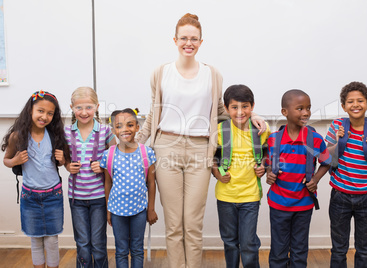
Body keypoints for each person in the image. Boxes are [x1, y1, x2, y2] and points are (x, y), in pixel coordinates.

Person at [136, 13, 266, 268]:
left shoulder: (212, 74)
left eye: (193, 39)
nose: (188, 43)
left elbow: (220, 109)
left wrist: (253, 115)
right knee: (174, 223)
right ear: (175, 40)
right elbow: (154, 112)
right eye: (183, 38)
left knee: (192, 222)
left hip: (200, 149)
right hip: (166, 147)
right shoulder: (160, 73)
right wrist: (135, 145)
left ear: (201, 41)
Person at [325, 82, 367, 267]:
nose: (355, 104)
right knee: (338, 249)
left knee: (364, 249)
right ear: (344, 106)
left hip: (366, 199)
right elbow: (325, 156)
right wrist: (338, 141)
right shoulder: (337, 126)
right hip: (340, 196)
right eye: (350, 101)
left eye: (360, 100)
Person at [265, 89, 331, 267]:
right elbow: (267, 162)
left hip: (304, 204)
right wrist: (269, 171)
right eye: (300, 108)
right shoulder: (273, 139)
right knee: (278, 249)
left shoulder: (315, 139)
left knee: (299, 249)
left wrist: (315, 179)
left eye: (308, 108)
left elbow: (326, 163)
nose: (306, 112)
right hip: (279, 203)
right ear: (284, 112)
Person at [2, 90, 68, 268]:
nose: (44, 116)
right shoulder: (18, 136)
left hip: (53, 195)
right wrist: (15, 160)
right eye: (40, 111)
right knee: (36, 241)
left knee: (52, 241)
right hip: (29, 197)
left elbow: (60, 162)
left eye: (50, 113)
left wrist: (62, 160)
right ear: (30, 110)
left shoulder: (55, 136)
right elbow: (6, 160)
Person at [212, 85, 270, 268]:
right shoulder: (220, 130)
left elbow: (269, 154)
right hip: (225, 196)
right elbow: (212, 160)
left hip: (250, 196)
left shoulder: (260, 129)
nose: (240, 112)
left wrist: (264, 166)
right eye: (234, 107)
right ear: (227, 108)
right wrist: (218, 174)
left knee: (248, 243)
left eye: (245, 106)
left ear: (252, 106)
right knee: (230, 241)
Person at [64, 87, 116, 268]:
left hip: (99, 197)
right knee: (83, 244)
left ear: (97, 106)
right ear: (72, 107)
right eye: (79, 108)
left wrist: (103, 166)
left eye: (89, 107)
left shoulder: (105, 131)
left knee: (98, 244)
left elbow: (114, 159)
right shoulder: (66, 132)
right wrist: (68, 166)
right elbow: (65, 159)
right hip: (76, 197)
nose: (84, 112)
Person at [101, 108, 158, 268]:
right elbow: (108, 183)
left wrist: (151, 209)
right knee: (121, 250)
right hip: (117, 211)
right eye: (119, 126)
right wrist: (108, 210)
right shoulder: (109, 154)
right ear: (113, 131)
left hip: (139, 210)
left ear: (137, 127)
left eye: (130, 125)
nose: (125, 129)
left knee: (137, 249)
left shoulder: (146, 153)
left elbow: (151, 183)